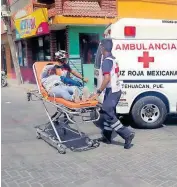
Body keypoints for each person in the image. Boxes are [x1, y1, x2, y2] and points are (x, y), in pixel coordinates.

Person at [94, 39, 135, 149]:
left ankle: (127, 134)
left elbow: (107, 78)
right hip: (114, 90)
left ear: (103, 48)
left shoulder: (106, 61)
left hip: (112, 90)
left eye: (100, 47)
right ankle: (107, 136)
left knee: (107, 112)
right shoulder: (113, 59)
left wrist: (98, 91)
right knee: (109, 112)